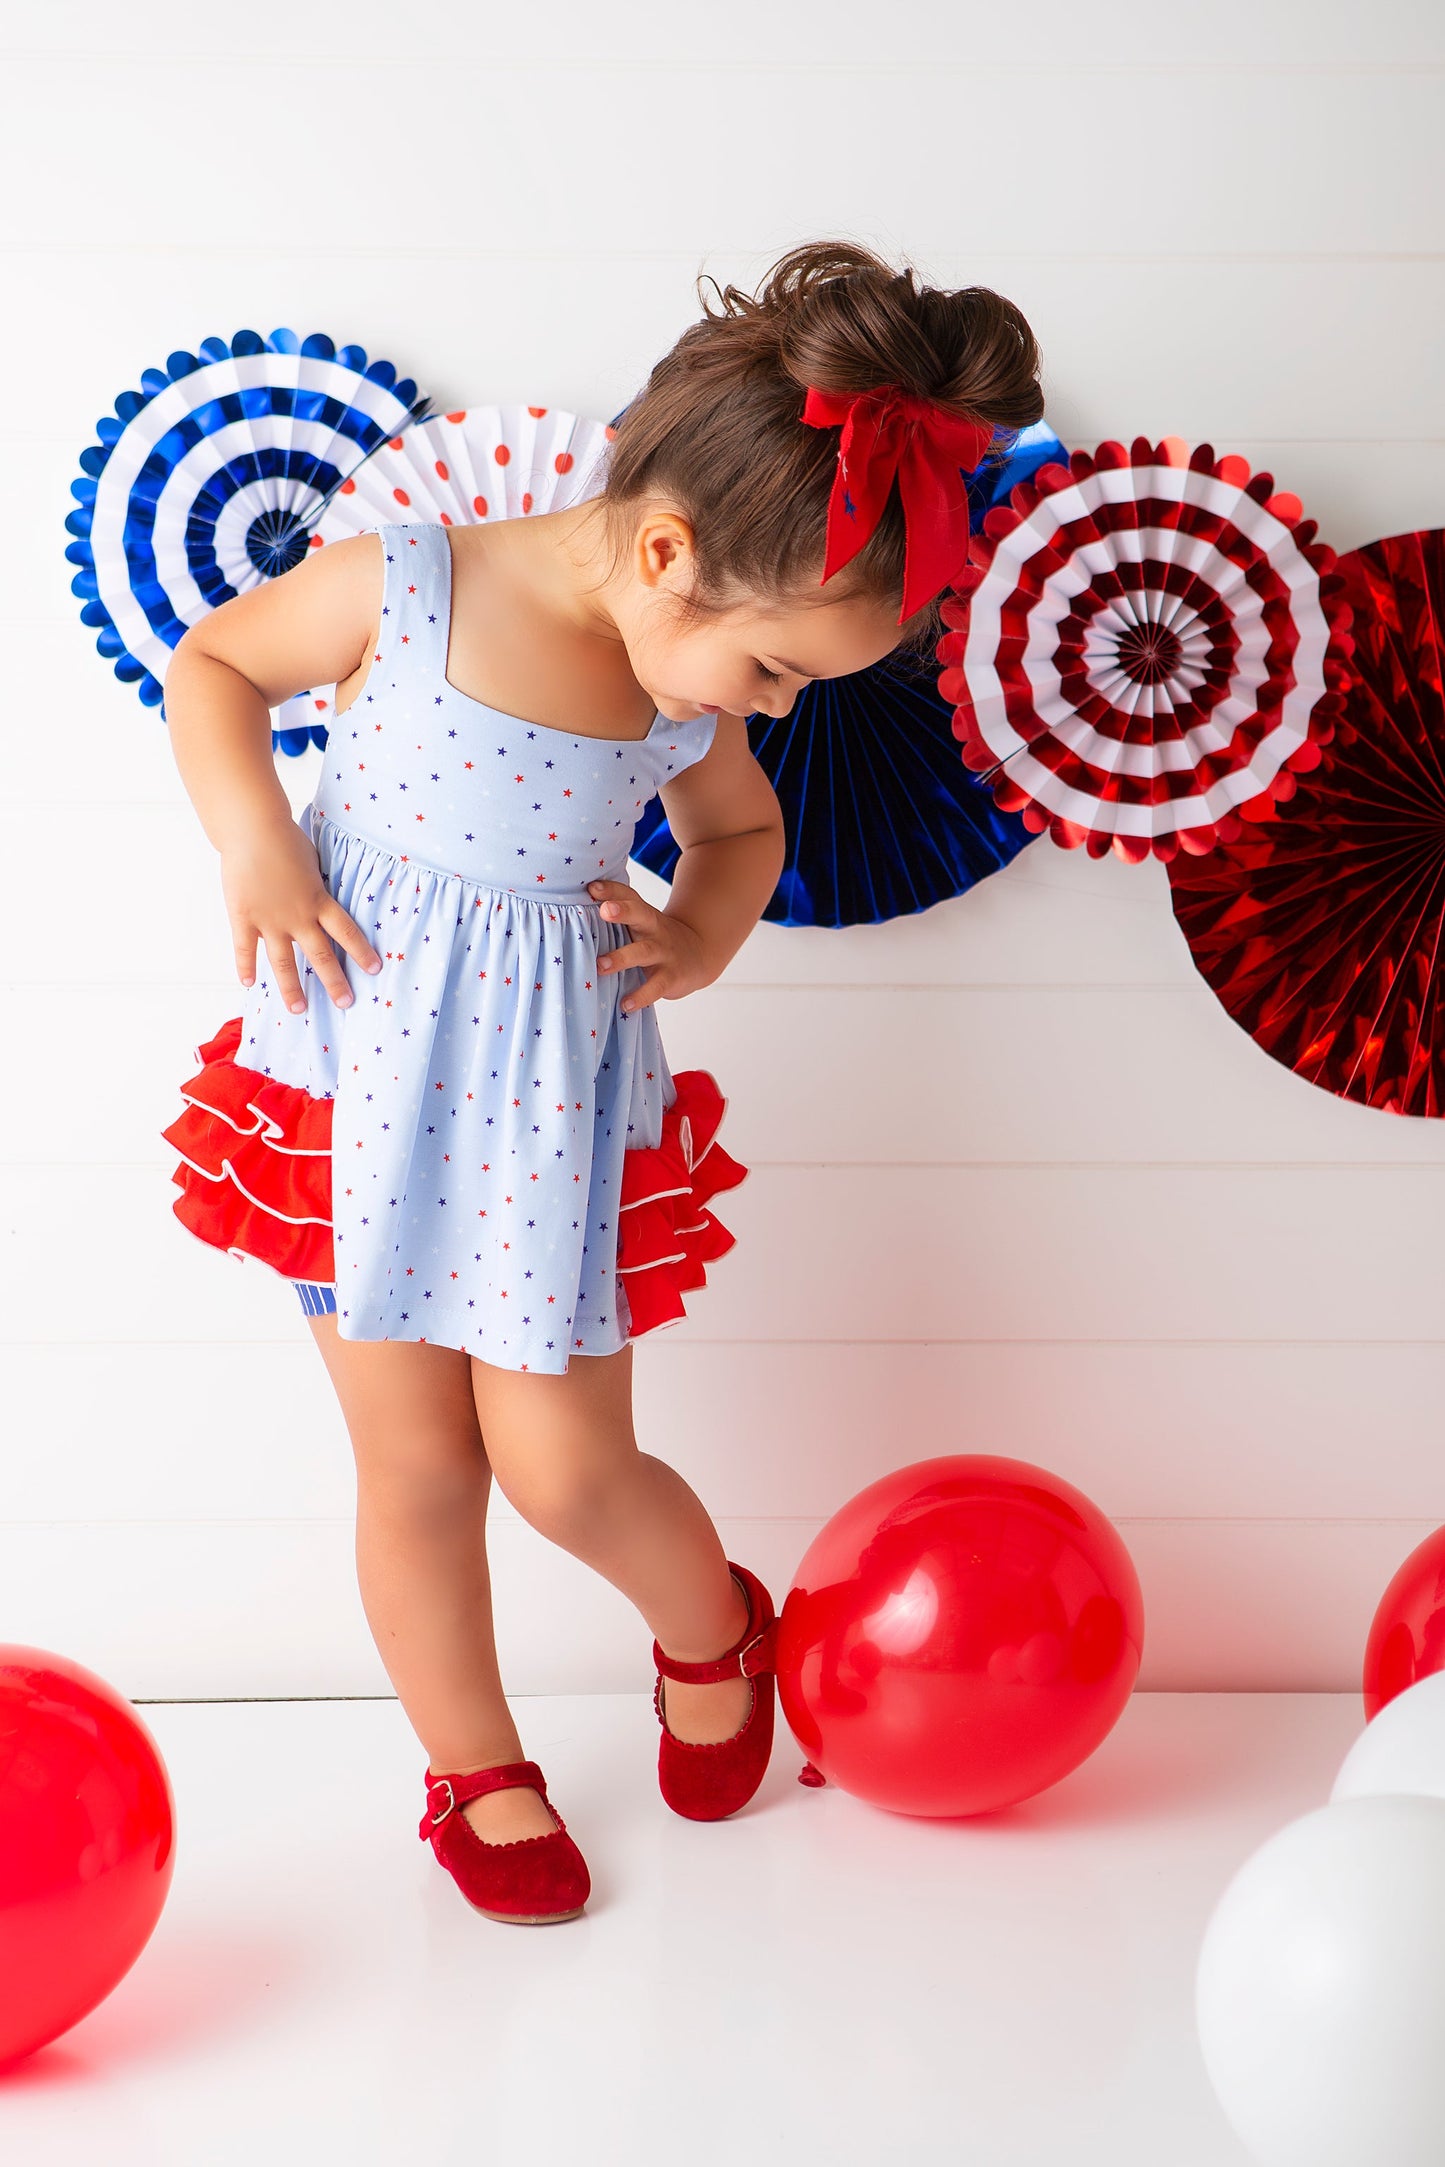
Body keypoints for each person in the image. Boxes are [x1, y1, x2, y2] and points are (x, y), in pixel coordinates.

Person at [160, 238, 1045, 1925]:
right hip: (354, 1083)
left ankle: (714, 1620)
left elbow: (741, 834)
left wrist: (699, 937)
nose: (771, 707)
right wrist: (257, 839)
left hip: (541, 1120)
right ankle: (474, 1767)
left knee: (562, 1468)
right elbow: (214, 668)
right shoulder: (403, 583)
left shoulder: (671, 683)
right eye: (777, 670)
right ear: (667, 552)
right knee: (415, 1468)